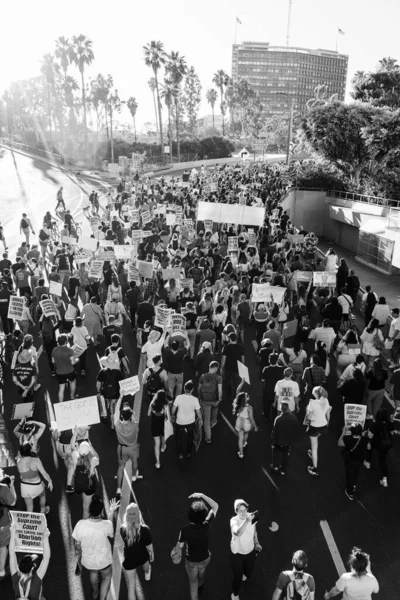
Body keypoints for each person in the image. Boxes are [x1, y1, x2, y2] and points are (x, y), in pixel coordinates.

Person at [73, 495, 117, 600]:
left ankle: (95, 591)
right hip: (104, 560)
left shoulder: (80, 524)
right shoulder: (107, 524)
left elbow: (77, 545)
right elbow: (111, 534)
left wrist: (79, 555)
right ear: (101, 512)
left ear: (90, 511)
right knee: (106, 577)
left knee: (93, 572)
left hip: (88, 560)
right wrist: (111, 512)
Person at [177, 492, 219, 600]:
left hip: (191, 560)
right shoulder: (206, 524)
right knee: (202, 571)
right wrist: (202, 496)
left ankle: (197, 589)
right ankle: (201, 584)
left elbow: (180, 546)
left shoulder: (184, 530)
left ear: (190, 515)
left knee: (192, 584)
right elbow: (215, 506)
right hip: (205, 558)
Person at [230, 499, 262, 600]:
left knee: (248, 572)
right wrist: (246, 521)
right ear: (236, 511)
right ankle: (235, 594)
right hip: (237, 553)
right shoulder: (234, 520)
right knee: (238, 577)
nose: (243, 513)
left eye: (245, 510)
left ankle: (245, 573)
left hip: (250, 550)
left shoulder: (251, 516)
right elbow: (238, 533)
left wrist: (256, 543)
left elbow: (254, 531)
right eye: (240, 511)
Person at [119, 502, 154, 595]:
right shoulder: (145, 530)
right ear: (139, 515)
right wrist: (151, 553)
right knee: (146, 565)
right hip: (142, 555)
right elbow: (149, 546)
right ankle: (147, 574)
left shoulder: (122, 529)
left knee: (131, 586)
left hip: (129, 558)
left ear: (126, 516)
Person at [9, 523, 51, 599]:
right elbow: (46, 558)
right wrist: (45, 538)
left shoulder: (16, 577)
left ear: (19, 566)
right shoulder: (36, 580)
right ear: (32, 568)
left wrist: (12, 534)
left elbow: (12, 554)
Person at [364, 407, 400, 487]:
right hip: (386, 445)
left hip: (377, 442)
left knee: (369, 450)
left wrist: (367, 439)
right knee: (382, 461)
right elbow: (392, 432)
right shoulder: (389, 423)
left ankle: (367, 462)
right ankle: (384, 479)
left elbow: (370, 436)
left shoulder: (375, 425)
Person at [114, 397, 141, 493]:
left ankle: (118, 489)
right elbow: (135, 419)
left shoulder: (117, 425)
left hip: (122, 449)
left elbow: (116, 410)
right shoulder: (134, 425)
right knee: (134, 462)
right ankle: (134, 475)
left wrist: (120, 397)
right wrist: (131, 412)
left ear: (121, 415)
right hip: (133, 447)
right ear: (130, 416)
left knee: (121, 466)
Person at [16, 443, 53, 513]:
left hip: (24, 487)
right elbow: (44, 474)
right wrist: (50, 481)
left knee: (29, 507)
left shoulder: (18, 461)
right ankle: (43, 510)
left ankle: (30, 520)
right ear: (30, 450)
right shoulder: (36, 461)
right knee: (42, 496)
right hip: (36, 485)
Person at [338, 424, 371, 500]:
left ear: (351, 431)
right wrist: (366, 437)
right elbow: (369, 447)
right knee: (356, 473)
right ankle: (353, 485)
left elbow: (339, 443)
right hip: (359, 460)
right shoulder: (365, 439)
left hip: (349, 461)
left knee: (349, 476)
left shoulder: (347, 438)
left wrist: (343, 432)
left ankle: (350, 493)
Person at [172, 380, 203, 461]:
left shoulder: (178, 397)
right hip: (190, 422)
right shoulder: (195, 399)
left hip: (180, 421)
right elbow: (198, 412)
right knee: (190, 437)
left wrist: (172, 416)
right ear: (192, 390)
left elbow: (173, 409)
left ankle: (180, 454)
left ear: (184, 388)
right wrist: (200, 420)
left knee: (178, 438)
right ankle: (188, 453)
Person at [305, 386, 331, 477]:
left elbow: (308, 417)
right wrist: (327, 424)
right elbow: (328, 415)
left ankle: (314, 468)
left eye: (313, 393)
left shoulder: (313, 403)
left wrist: (307, 410)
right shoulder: (326, 401)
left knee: (314, 447)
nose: (312, 394)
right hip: (323, 426)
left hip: (314, 427)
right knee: (316, 439)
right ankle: (312, 453)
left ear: (316, 394)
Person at [270, 400, 299, 475]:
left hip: (278, 441)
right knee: (285, 455)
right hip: (288, 441)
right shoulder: (294, 418)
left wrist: (272, 441)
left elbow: (274, 431)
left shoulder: (278, 419)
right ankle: (283, 470)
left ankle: (275, 466)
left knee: (275, 453)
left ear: (281, 409)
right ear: (288, 409)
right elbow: (295, 430)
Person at [72, 440, 100, 519]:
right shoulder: (93, 460)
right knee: (86, 508)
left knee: (83, 494)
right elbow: (98, 459)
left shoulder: (75, 457)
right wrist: (91, 447)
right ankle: (85, 523)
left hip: (79, 483)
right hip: (89, 486)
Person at [198, 361, 223, 443]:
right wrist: (219, 400)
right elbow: (219, 391)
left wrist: (199, 398)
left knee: (206, 419)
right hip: (214, 399)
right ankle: (213, 422)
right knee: (215, 409)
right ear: (215, 368)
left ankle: (208, 438)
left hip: (204, 401)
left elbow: (199, 388)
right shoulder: (218, 378)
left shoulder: (202, 376)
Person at [233, 380, 258, 458]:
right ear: (246, 399)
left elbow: (237, 390)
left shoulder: (238, 402)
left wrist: (242, 383)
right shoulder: (249, 407)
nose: (248, 395)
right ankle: (244, 443)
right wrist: (255, 426)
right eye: (247, 395)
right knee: (246, 433)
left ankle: (241, 453)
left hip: (239, 421)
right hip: (246, 422)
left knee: (240, 437)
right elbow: (251, 418)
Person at [52, 334, 79, 403]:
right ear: (66, 341)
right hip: (70, 371)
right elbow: (73, 362)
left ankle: (60, 403)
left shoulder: (54, 350)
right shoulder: (70, 351)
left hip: (60, 372)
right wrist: (77, 360)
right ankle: (72, 396)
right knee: (72, 383)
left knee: (61, 388)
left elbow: (53, 361)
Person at [0, 472, 17, 582]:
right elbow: (13, 502)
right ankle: (1, 570)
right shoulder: (3, 488)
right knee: (3, 547)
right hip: (2, 523)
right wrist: (11, 485)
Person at [148, 390, 169, 469]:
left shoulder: (152, 404)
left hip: (155, 425)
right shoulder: (165, 405)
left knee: (156, 444)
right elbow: (168, 416)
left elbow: (148, 414)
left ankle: (158, 462)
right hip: (163, 424)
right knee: (163, 436)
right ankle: (163, 447)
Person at [262, 352, 284, 420]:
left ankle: (266, 416)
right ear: (277, 360)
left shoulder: (266, 368)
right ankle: (275, 417)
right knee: (276, 403)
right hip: (277, 390)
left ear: (269, 360)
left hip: (268, 389)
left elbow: (263, 379)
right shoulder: (281, 369)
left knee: (266, 403)